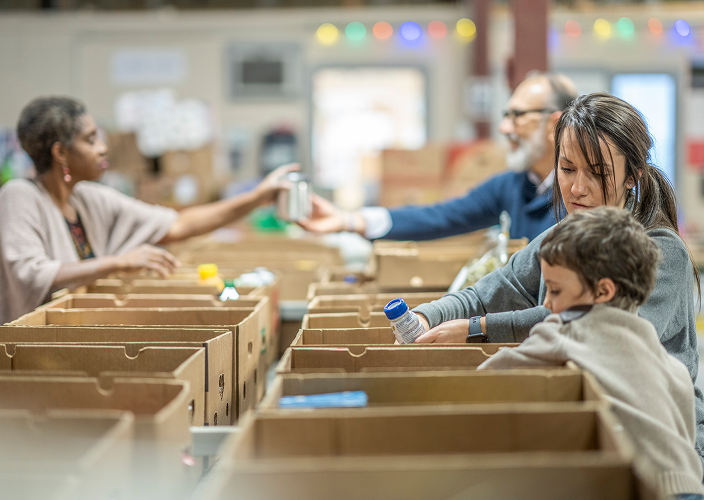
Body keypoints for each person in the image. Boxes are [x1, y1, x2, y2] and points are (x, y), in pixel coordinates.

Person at [410, 92, 704, 468]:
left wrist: (478, 328)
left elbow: (593, 327)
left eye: (597, 174)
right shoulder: (561, 241)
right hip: (585, 423)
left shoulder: (660, 254)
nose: (577, 188)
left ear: (634, 176)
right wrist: (425, 317)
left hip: (663, 449)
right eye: (566, 169)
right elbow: (485, 294)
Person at [0, 96, 296, 324]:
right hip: (31, 346)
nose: (103, 148)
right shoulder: (20, 196)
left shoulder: (89, 199)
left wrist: (257, 198)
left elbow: (177, 224)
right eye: (91, 140)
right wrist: (118, 263)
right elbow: (32, 274)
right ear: (60, 153)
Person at [478, 206, 704, 499]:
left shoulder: (567, 329)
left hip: (644, 483)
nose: (546, 304)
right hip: (688, 483)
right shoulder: (661, 355)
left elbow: (493, 375)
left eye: (555, 291)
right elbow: (685, 420)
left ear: (602, 291)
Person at [298, 72, 578, 241]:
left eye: (517, 116)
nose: (504, 128)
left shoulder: (581, 194)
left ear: (554, 125)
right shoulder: (511, 185)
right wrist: (349, 221)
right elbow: (442, 216)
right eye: (506, 116)